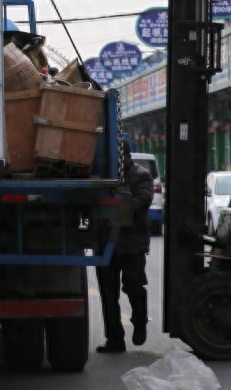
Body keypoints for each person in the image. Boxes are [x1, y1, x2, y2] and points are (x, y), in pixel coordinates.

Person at [94, 141, 153, 353]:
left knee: (133, 287)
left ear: (129, 156)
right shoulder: (103, 176)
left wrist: (116, 207)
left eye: (122, 157)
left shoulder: (141, 175)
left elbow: (142, 201)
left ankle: (139, 320)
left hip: (131, 242)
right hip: (106, 242)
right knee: (108, 295)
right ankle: (115, 339)